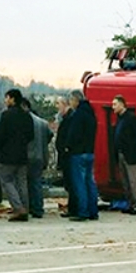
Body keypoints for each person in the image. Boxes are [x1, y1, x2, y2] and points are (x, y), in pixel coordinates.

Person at [0, 88, 34, 221]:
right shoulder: (26, 115)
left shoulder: (6, 115)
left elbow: (0, 135)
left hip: (7, 155)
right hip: (22, 154)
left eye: (7, 98)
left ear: (12, 99)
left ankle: (18, 208)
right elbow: (31, 135)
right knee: (22, 182)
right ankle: (25, 207)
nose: (5, 100)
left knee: (6, 181)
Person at [63, 89, 99, 221]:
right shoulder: (91, 114)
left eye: (71, 101)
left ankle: (82, 211)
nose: (70, 104)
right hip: (90, 151)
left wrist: (68, 146)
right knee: (90, 182)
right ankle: (93, 211)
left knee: (80, 183)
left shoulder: (78, 115)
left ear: (75, 100)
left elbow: (74, 134)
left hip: (78, 153)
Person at [111, 94, 136, 214]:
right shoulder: (121, 119)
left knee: (133, 180)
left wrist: (135, 154)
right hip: (121, 154)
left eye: (115, 104)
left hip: (129, 155)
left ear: (122, 104)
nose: (113, 107)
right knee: (126, 181)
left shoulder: (131, 119)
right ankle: (130, 203)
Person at [23, 98, 53, 218]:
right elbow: (50, 135)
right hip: (40, 155)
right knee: (37, 183)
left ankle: (31, 207)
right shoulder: (43, 123)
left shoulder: (25, 122)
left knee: (28, 183)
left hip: (28, 156)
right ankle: (38, 207)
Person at [54, 95, 78, 218]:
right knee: (70, 183)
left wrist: (65, 149)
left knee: (71, 183)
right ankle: (72, 207)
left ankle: (74, 208)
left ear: (65, 104)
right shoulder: (68, 118)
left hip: (68, 156)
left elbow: (68, 137)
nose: (57, 107)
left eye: (58, 104)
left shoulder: (70, 118)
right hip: (66, 155)